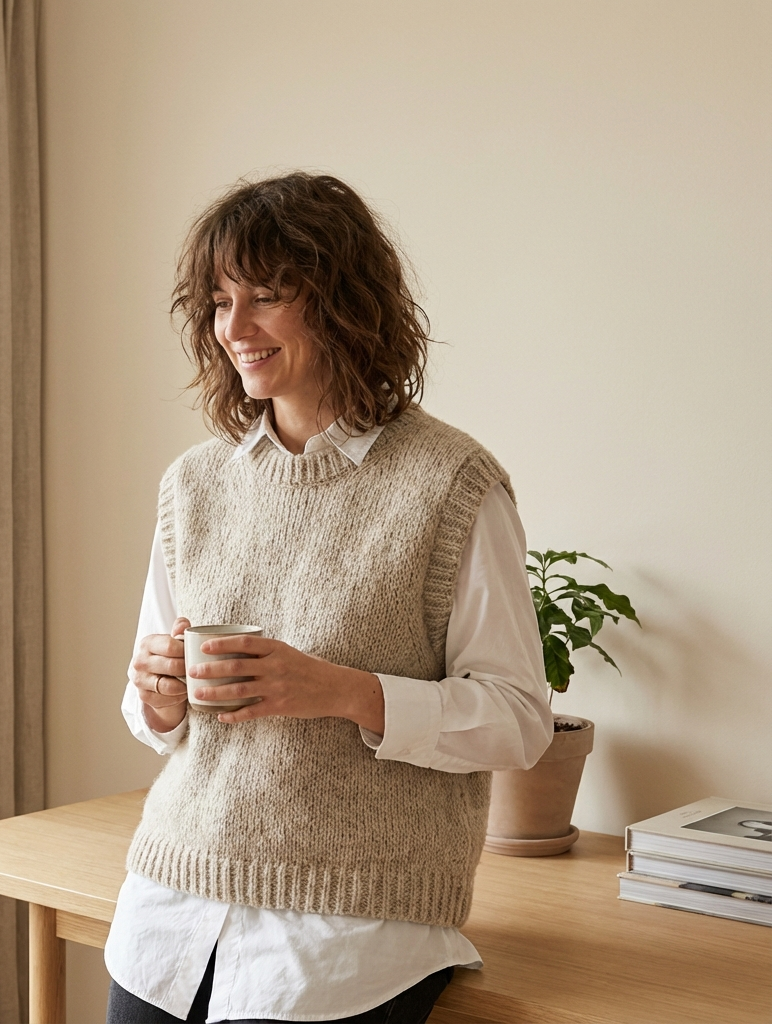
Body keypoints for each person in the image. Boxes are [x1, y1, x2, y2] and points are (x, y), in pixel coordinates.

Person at [104, 172, 552, 1024]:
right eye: (217, 301)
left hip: (351, 934)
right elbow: (150, 711)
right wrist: (158, 696)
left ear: (344, 303)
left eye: (266, 296)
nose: (233, 329)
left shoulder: (451, 485)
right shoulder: (193, 485)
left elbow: (518, 719)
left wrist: (346, 692)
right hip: (168, 907)